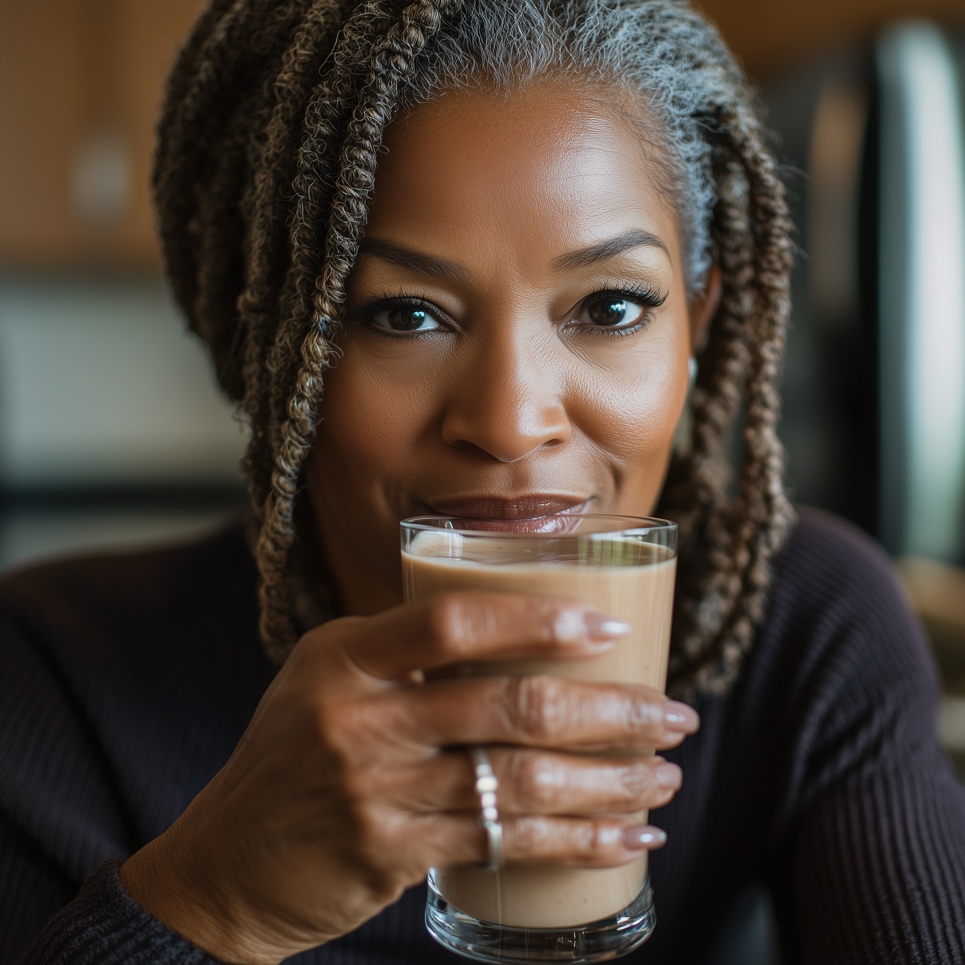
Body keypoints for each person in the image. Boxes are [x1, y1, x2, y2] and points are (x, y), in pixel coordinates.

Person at [1, 1, 963, 962]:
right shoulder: (50, 676)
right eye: (406, 315)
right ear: (279, 353)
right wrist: (210, 902)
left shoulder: (813, 630)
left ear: (696, 330)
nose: (509, 421)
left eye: (610, 306)